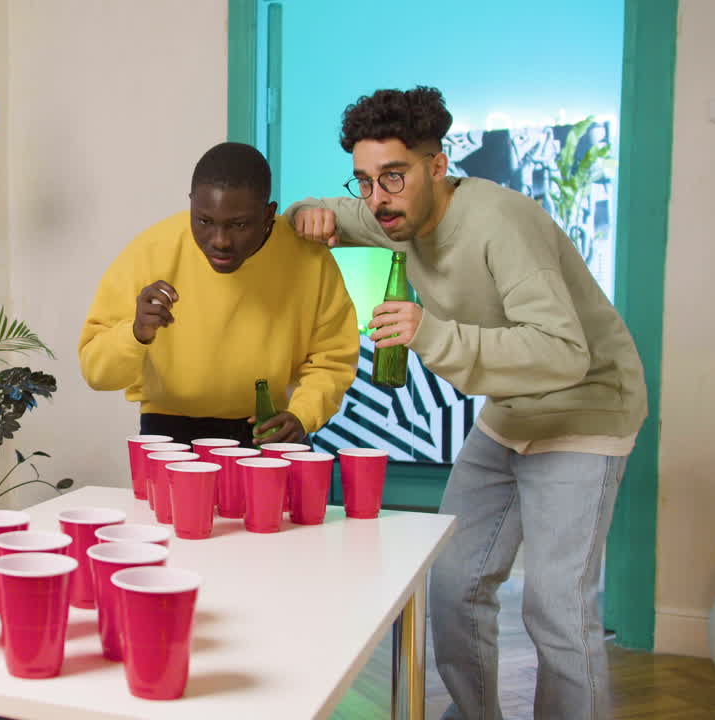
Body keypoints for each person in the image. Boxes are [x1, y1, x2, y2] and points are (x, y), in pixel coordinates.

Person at [285, 86, 647, 719]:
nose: (377, 198)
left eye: (392, 176)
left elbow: (565, 352)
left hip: (586, 409)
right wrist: (303, 214)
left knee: (557, 608)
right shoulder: (394, 212)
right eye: (364, 181)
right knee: (453, 583)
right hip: (511, 412)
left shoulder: (502, 225)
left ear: (437, 165)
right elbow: (322, 214)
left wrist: (431, 333)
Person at [79, 141, 359, 447]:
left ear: (269, 214)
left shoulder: (309, 258)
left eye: (239, 224)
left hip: (271, 427)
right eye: (204, 221)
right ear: (191, 204)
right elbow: (97, 373)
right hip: (167, 430)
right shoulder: (150, 251)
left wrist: (303, 415)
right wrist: (136, 333)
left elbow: (332, 359)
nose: (220, 241)